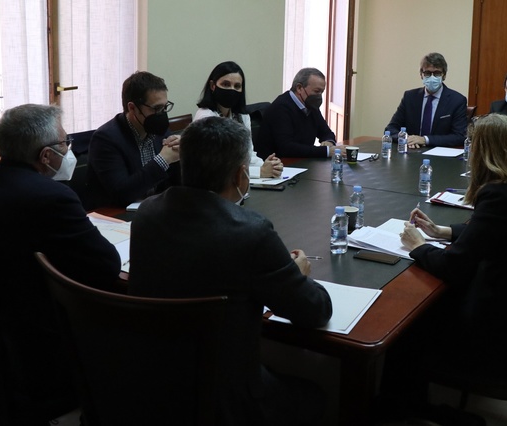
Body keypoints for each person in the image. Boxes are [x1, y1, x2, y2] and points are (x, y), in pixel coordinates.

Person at [128, 116, 333, 425]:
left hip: (154, 381)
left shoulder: (147, 212)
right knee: (317, 394)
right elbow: (315, 310)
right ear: (241, 175)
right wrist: (298, 274)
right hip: (227, 397)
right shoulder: (251, 232)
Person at [0, 104, 121, 421]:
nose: (70, 150)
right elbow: (106, 266)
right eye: (65, 143)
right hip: (32, 346)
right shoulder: (51, 196)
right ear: (45, 157)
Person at [379, 114, 507, 416]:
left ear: (487, 151)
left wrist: (419, 246)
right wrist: (442, 231)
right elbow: (494, 231)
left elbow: (454, 266)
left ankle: (401, 408)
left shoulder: (499, 194)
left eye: (473, 145)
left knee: (406, 323)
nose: (470, 151)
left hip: (493, 328)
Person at [86, 71, 181, 209]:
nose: (162, 114)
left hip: (154, 209)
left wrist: (182, 154)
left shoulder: (160, 130)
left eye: (165, 107)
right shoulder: (105, 139)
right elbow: (122, 193)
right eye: (157, 108)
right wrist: (163, 160)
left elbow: (175, 182)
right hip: (115, 216)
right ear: (132, 108)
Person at [194, 61, 284, 178]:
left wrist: (268, 167)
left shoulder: (242, 116)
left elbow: (249, 155)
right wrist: (260, 172)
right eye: (226, 84)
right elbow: (217, 168)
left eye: (237, 86)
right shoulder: (206, 117)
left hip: (239, 181)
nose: (232, 90)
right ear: (212, 86)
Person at [385, 52, 468, 148]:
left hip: (440, 154)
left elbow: (460, 136)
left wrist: (425, 140)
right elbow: (390, 129)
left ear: (444, 75)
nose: (432, 78)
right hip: (412, 151)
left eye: (437, 73)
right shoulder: (410, 97)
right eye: (427, 73)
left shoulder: (457, 100)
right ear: (421, 74)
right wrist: (407, 139)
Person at [256, 67, 339, 159]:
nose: (319, 96)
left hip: (301, 161)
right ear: (299, 88)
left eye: (321, 92)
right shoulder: (281, 108)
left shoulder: (311, 106)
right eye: (316, 91)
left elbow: (326, 132)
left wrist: (329, 142)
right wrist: (326, 151)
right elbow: (286, 148)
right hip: (277, 165)